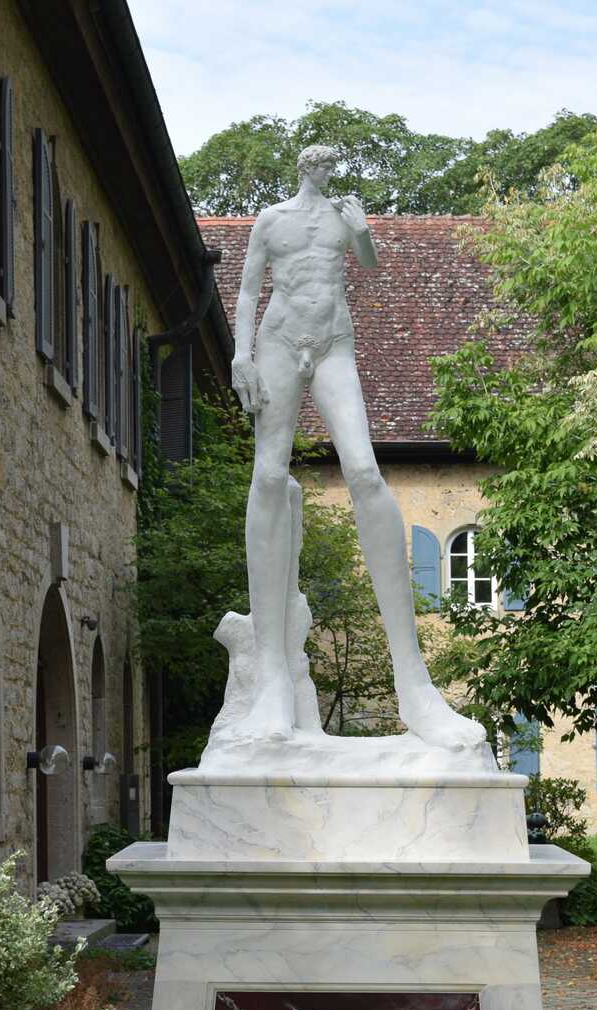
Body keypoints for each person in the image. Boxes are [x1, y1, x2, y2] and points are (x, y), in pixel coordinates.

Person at [228, 143, 485, 751]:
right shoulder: (272, 220)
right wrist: (241, 355)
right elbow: (247, 291)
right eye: (318, 165)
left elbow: (367, 263)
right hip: (278, 339)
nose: (326, 173)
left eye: (330, 166)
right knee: (269, 477)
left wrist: (364, 230)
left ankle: (413, 685)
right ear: (303, 167)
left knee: (366, 473)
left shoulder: (343, 216)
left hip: (333, 341)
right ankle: (272, 682)